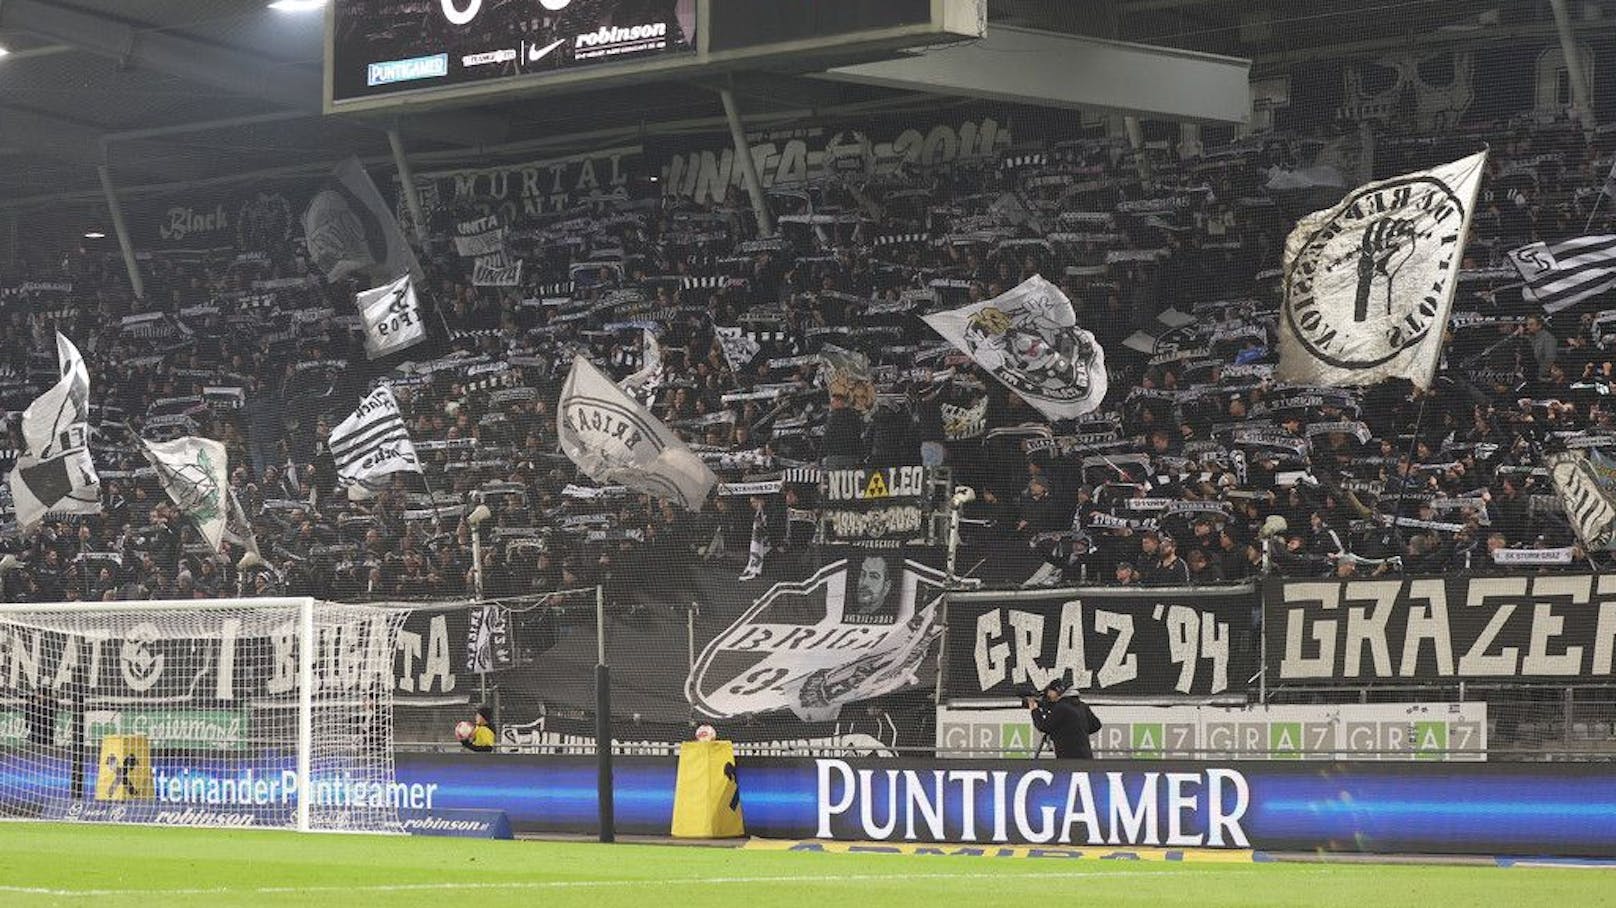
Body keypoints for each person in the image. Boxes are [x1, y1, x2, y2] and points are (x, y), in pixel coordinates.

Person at [1024, 679, 1102, 760]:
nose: (1048, 695)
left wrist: (1034, 710)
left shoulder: (1061, 707)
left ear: (1058, 692)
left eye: (1049, 691)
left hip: (1067, 758)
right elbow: (1096, 725)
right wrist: (1078, 731)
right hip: (1086, 757)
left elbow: (1043, 726)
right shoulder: (1082, 705)